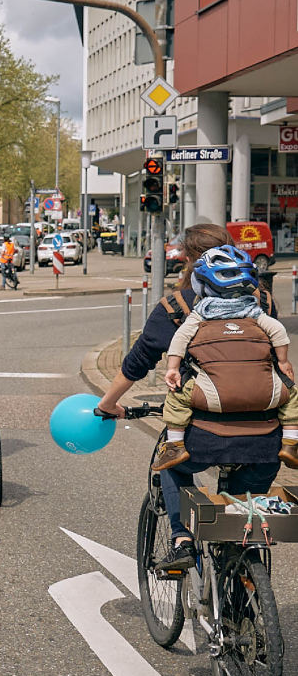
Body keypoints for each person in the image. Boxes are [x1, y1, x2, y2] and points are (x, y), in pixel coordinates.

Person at [96, 223, 282, 571]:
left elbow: (137, 363)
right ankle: (245, 583)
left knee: (172, 461)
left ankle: (181, 540)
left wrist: (107, 405)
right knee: (245, 508)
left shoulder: (176, 305)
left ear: (187, 260)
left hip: (203, 435)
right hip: (265, 439)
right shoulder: (264, 301)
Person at [153, 245, 298, 473]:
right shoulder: (255, 311)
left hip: (211, 396)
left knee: (177, 395)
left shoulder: (201, 312)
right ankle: (291, 442)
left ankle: (175, 445)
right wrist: (283, 362)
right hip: (265, 396)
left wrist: (172, 368)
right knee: (291, 395)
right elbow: (278, 331)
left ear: (201, 284)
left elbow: (180, 339)